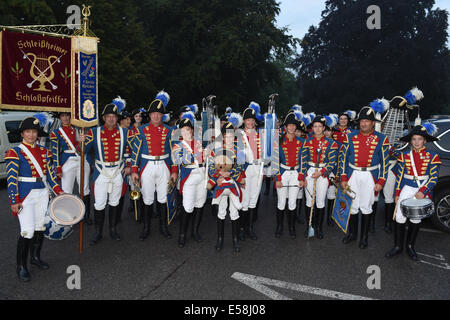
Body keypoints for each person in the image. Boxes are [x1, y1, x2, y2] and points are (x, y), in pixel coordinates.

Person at [6, 117, 64, 281]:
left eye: (34, 132)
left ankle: (35, 258)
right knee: (27, 231)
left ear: (38, 134)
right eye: (28, 132)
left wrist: (59, 191)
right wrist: (14, 200)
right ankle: (21, 266)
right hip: (25, 196)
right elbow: (11, 179)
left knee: (39, 227)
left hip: (42, 193)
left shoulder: (45, 152)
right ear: (22, 133)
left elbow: (51, 177)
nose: (31, 135)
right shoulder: (14, 152)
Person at [80, 103, 135, 245]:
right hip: (101, 172)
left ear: (117, 118)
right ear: (103, 118)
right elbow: (83, 151)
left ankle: (112, 229)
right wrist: (81, 143)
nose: (111, 119)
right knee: (99, 203)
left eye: (114, 117)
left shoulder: (125, 132)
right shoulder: (94, 132)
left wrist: (129, 166)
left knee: (115, 202)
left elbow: (130, 151)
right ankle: (98, 232)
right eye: (108, 116)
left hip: (118, 171)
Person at [385, 123, 441, 261]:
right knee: (399, 216)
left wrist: (423, 191)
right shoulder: (404, 156)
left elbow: (433, 178)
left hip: (422, 188)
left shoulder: (432, 157)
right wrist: (397, 194)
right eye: (414, 139)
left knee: (416, 217)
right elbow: (400, 177)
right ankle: (398, 246)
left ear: (425, 141)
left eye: (419, 139)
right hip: (407, 187)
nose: (416, 142)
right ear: (411, 141)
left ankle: (410, 246)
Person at [339, 106, 390, 249]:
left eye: (367, 121)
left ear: (373, 123)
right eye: (362, 121)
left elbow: (385, 162)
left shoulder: (381, 138)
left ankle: (364, 237)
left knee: (366, 207)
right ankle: (352, 234)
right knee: (353, 206)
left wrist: (381, 181)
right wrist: (343, 177)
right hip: (352, 174)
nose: (364, 124)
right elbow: (343, 158)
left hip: (370, 175)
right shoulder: (350, 136)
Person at [131, 91, 178, 241]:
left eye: (159, 114)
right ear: (150, 115)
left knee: (163, 197)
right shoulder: (141, 130)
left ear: (163, 116)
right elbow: (135, 152)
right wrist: (134, 170)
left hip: (164, 165)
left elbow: (174, 153)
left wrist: (174, 170)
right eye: (153, 113)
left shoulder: (170, 131)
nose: (156, 116)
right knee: (147, 197)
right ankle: (146, 228)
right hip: (147, 166)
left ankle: (163, 227)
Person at [207, 113, 245, 252]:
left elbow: (240, 167)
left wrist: (230, 173)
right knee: (222, 210)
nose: (228, 138)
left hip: (233, 182)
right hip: (221, 182)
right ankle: (220, 239)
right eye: (226, 136)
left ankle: (235, 239)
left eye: (231, 136)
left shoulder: (239, 150)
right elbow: (211, 167)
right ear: (222, 137)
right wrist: (219, 175)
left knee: (234, 211)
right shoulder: (216, 150)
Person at [171, 111, 208, 247]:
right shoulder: (177, 146)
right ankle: (182, 234)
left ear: (192, 130)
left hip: (202, 175)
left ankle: (195, 231)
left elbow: (207, 160)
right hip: (189, 178)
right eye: (183, 130)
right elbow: (178, 160)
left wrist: (208, 153)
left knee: (200, 204)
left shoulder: (200, 143)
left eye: (188, 129)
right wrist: (199, 154)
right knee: (187, 207)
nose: (186, 132)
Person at [49, 111, 92, 225]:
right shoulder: (56, 133)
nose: (65, 118)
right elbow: (55, 152)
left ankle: (85, 215)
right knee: (66, 191)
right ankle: (68, 216)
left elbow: (86, 146)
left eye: (67, 115)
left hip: (82, 158)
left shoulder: (79, 129)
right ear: (60, 118)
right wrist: (58, 168)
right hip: (67, 161)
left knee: (85, 189)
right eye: (62, 116)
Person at [300, 116, 339, 239]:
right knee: (308, 201)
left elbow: (332, 162)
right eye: (315, 126)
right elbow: (303, 160)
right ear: (312, 128)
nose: (317, 129)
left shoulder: (331, 143)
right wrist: (302, 176)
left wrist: (321, 172)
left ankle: (319, 228)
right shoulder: (307, 141)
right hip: (310, 171)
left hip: (323, 173)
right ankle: (309, 225)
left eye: (320, 126)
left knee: (320, 201)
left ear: (323, 128)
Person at [274, 111, 305, 239]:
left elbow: (304, 161)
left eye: (294, 125)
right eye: (289, 125)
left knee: (292, 203)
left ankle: (292, 227)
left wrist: (301, 177)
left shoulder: (302, 141)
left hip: (296, 173)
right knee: (281, 202)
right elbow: (276, 161)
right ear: (285, 127)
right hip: (283, 172)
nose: (291, 128)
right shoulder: (279, 141)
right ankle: (280, 226)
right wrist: (277, 178)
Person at [239, 102, 264, 241]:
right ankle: (242, 228)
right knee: (245, 198)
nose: (250, 122)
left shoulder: (260, 134)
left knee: (254, 198)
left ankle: (249, 228)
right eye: (248, 120)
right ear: (244, 121)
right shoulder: (239, 134)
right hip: (246, 168)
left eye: (252, 120)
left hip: (258, 168)